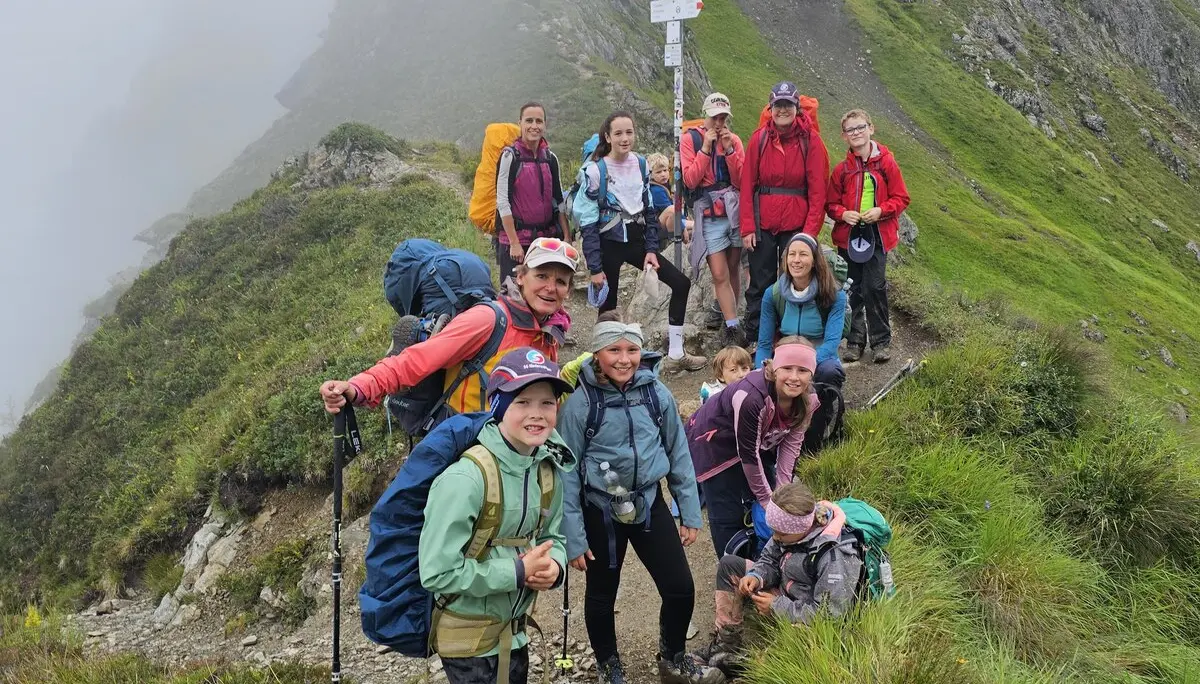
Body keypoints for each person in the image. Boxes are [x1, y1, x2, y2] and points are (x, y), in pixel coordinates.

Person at [556, 313, 722, 684]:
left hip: (649, 502)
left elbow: (678, 451)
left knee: (680, 588)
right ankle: (608, 665)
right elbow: (566, 472)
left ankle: (673, 657)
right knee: (602, 595)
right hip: (600, 510)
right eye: (613, 350)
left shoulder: (656, 394)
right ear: (597, 353)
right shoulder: (581, 404)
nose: (624, 359)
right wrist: (573, 537)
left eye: (632, 350)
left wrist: (689, 512)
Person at [418, 347, 576, 684]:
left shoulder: (546, 470)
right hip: (467, 643)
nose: (537, 414)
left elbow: (553, 537)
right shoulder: (466, 479)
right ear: (498, 406)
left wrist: (555, 567)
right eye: (522, 402)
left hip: (514, 633)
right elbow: (436, 572)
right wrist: (516, 572)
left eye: (547, 403)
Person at [318, 237, 578, 418]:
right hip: (467, 447)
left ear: (568, 290)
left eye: (561, 282)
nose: (550, 288)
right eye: (541, 276)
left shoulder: (548, 332)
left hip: (516, 448)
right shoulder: (487, 320)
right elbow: (416, 360)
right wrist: (359, 387)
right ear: (520, 277)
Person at [575, 111, 706, 373]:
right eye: (618, 133)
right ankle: (602, 367)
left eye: (629, 132)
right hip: (608, 243)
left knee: (680, 283)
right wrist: (595, 268)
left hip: (637, 241)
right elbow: (588, 223)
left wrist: (651, 249)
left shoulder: (641, 164)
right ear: (607, 137)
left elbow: (648, 209)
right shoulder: (595, 171)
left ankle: (676, 353)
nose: (625, 138)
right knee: (608, 306)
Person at [693, 482, 860, 672]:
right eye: (773, 531)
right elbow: (769, 558)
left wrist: (776, 606)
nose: (775, 537)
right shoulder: (787, 530)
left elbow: (829, 616)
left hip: (808, 617)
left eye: (780, 534)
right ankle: (727, 642)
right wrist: (756, 576)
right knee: (729, 565)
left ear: (801, 528)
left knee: (789, 652)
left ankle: (756, 666)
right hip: (784, 592)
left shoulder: (833, 557)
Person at [685, 337, 819, 560]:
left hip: (758, 440)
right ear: (775, 367)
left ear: (812, 373)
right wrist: (768, 502)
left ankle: (765, 562)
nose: (794, 377)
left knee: (769, 494)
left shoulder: (809, 399)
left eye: (803, 370)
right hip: (713, 442)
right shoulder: (751, 396)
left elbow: (791, 446)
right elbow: (748, 455)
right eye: (787, 368)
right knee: (727, 511)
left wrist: (780, 495)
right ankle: (732, 568)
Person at [739, 82, 830, 346]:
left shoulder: (811, 140)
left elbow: (817, 192)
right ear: (771, 108)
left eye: (788, 105)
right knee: (760, 282)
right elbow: (747, 186)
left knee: (797, 280)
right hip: (763, 223)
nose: (782, 110)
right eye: (778, 105)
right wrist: (747, 227)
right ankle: (757, 338)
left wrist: (809, 235)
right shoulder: (759, 139)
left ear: (796, 108)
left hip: (796, 225)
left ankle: (794, 337)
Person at [826, 109, 911, 364]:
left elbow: (901, 198)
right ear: (844, 136)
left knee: (874, 286)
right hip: (849, 236)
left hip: (878, 235)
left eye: (860, 127)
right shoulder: (842, 170)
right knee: (852, 288)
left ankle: (881, 341)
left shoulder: (887, 164)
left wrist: (881, 211)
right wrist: (843, 214)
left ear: (871, 128)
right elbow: (830, 204)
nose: (856, 133)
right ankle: (855, 341)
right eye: (850, 130)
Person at [682, 93, 747, 347]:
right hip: (709, 215)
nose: (719, 123)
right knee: (719, 273)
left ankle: (730, 320)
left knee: (733, 268)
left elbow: (741, 180)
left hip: (733, 211)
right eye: (714, 117)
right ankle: (732, 326)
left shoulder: (734, 140)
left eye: (723, 118)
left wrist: (729, 150)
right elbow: (690, 180)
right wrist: (706, 149)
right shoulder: (691, 139)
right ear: (705, 115)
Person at [753, 233, 847, 388]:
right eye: (792, 254)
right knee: (762, 376)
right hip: (784, 356)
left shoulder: (835, 295)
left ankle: (824, 403)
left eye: (803, 254)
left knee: (830, 372)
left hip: (820, 356)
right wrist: (760, 371)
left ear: (815, 261)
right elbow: (764, 344)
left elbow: (831, 343)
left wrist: (802, 365)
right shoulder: (773, 294)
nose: (796, 260)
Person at [495, 102, 571, 284]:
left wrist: (567, 236)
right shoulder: (510, 157)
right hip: (517, 242)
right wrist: (514, 243)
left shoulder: (550, 158)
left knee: (542, 290)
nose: (534, 126)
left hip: (545, 241)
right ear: (520, 123)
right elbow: (502, 202)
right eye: (529, 121)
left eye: (539, 121)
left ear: (545, 124)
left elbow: (558, 200)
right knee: (513, 293)